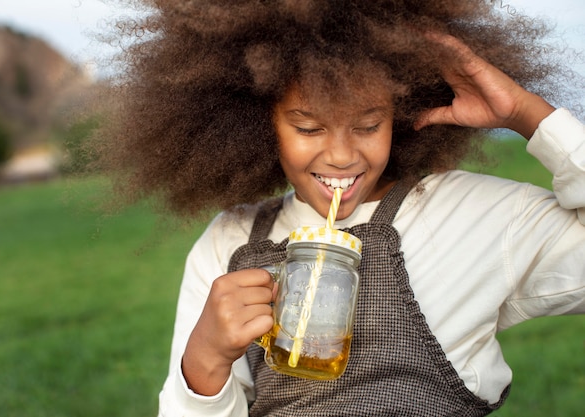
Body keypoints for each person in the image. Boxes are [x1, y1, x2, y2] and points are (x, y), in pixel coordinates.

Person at [94, 1, 585, 415]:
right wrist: (203, 361)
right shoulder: (230, 243)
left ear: (402, 111)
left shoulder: (477, 217)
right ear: (256, 123)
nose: (343, 156)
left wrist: (526, 114)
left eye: (368, 125)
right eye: (309, 128)